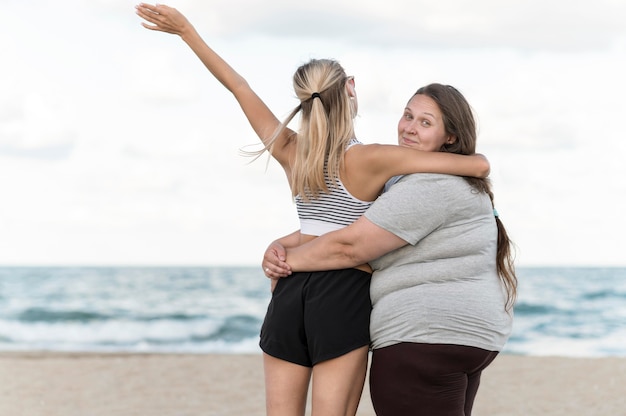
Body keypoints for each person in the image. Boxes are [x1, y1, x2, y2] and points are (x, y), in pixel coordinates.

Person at [135, 5, 490, 415]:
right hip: (344, 296)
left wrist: (187, 33)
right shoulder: (375, 159)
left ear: (303, 100)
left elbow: (238, 86)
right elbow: (476, 165)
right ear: (351, 88)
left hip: (288, 294)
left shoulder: (289, 150)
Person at [264, 84, 517, 416]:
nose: (410, 127)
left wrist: (288, 263)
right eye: (408, 115)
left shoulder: (428, 185)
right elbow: (346, 224)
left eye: (425, 122)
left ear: (450, 138)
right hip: (466, 338)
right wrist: (284, 244)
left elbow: (349, 245)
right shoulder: (437, 181)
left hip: (424, 337)